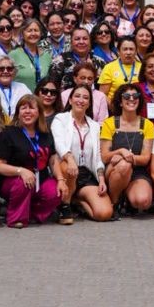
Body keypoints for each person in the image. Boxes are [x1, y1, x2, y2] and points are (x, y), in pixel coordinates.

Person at [0, 93, 61, 227]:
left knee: (57, 192)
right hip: (14, 181)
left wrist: (61, 180)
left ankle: (31, 214)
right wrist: (21, 171)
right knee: (23, 183)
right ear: (18, 113)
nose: (28, 112)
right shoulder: (8, 133)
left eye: (32, 108)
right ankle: (15, 218)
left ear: (39, 112)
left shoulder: (45, 133)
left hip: (40, 178)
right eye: (23, 108)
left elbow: (52, 158)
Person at [52, 83, 111, 222]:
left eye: (85, 98)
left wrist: (101, 179)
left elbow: (97, 157)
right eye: (77, 96)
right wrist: (70, 158)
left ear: (89, 103)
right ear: (70, 100)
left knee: (104, 214)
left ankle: (77, 201)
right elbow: (59, 144)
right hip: (66, 169)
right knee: (70, 168)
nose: (81, 100)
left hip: (85, 174)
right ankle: (65, 206)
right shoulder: (60, 119)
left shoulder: (95, 126)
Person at [101, 83, 154, 215]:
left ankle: (127, 196)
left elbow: (145, 159)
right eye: (126, 96)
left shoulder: (147, 125)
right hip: (114, 169)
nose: (131, 99)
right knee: (124, 165)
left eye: (135, 95)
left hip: (138, 171)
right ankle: (115, 202)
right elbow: (104, 156)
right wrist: (120, 152)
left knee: (142, 201)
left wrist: (123, 157)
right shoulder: (109, 123)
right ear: (120, 102)